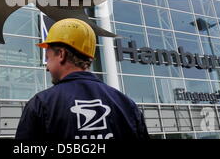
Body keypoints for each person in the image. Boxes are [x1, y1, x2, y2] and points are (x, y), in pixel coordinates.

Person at [15, 18, 149, 140]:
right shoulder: (126, 105)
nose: (47, 67)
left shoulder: (41, 105)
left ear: (61, 54)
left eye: (47, 57)